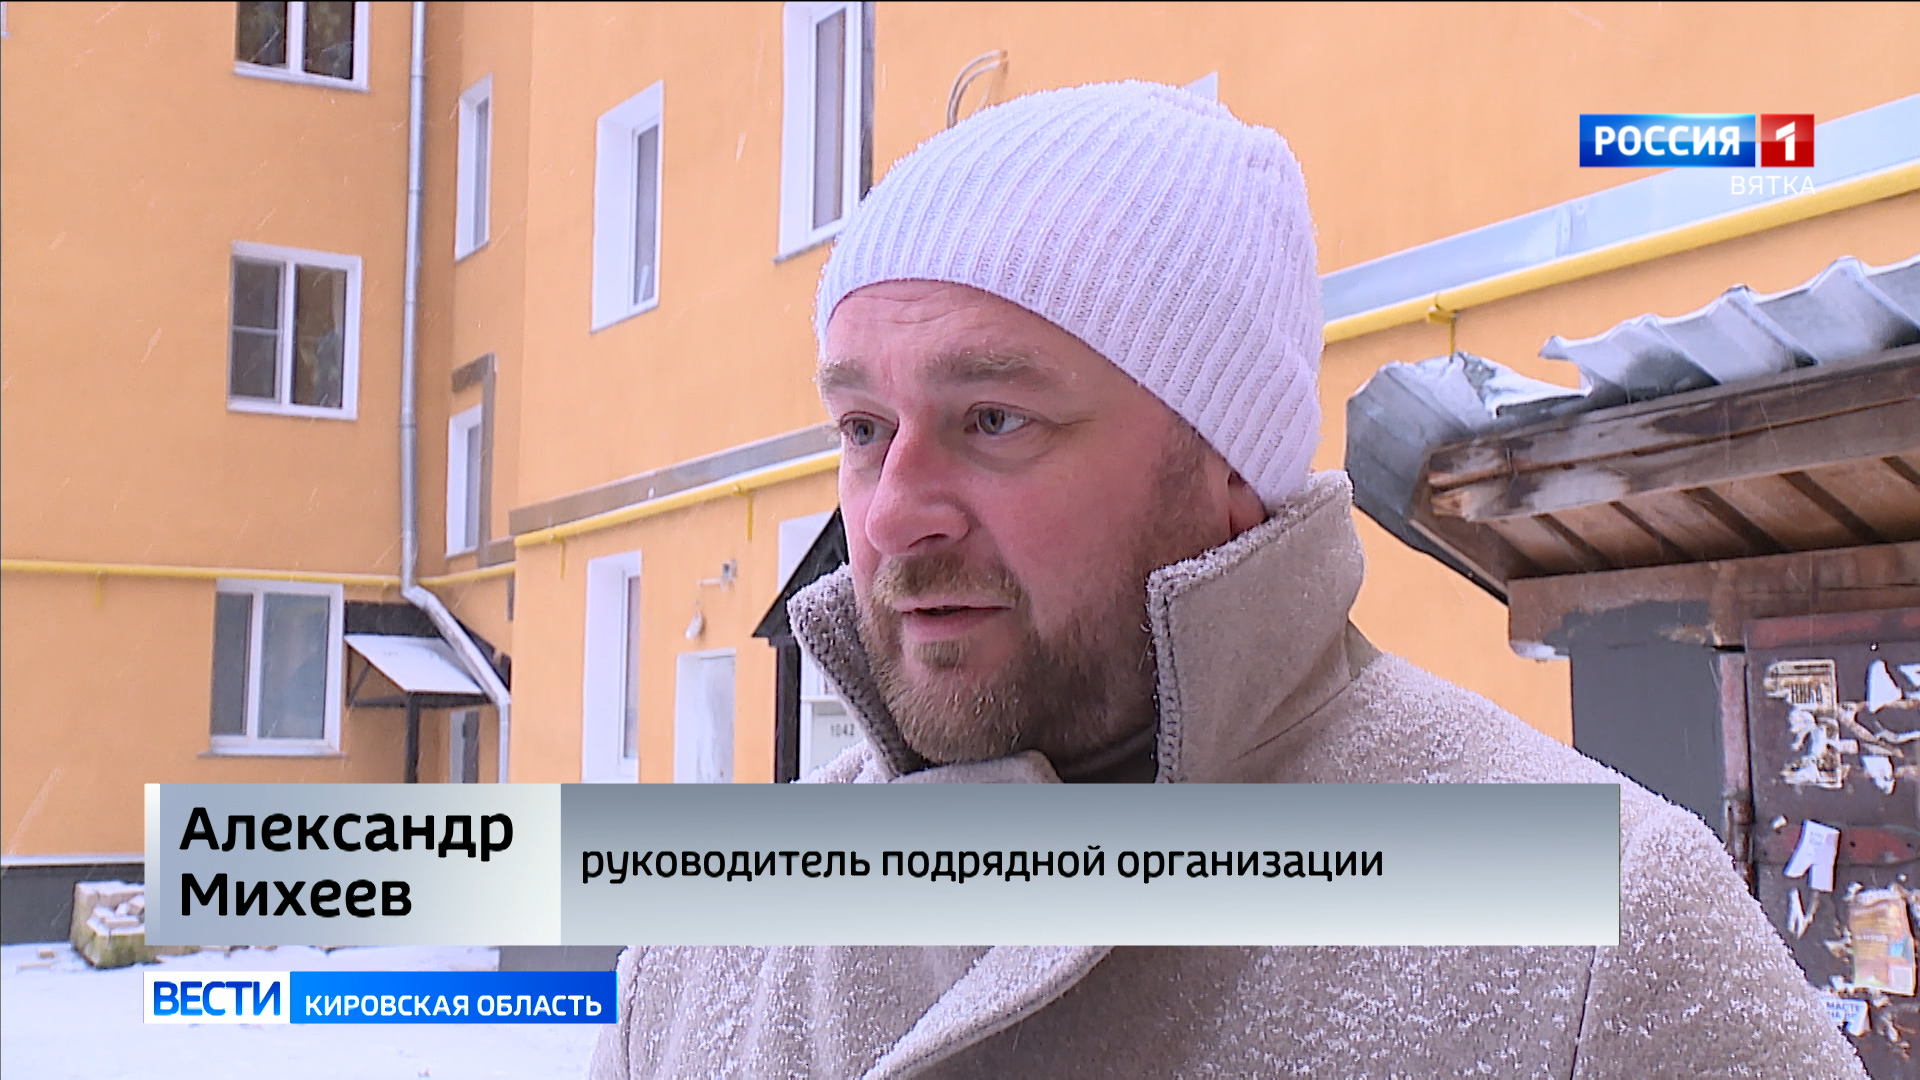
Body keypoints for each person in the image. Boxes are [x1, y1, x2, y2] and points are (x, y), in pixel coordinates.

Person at [591, 82, 1865, 1079]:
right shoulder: (709, 951)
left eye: (994, 419)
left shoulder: (1605, 934)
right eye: (865, 429)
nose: (889, 514)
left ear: (1227, 468)